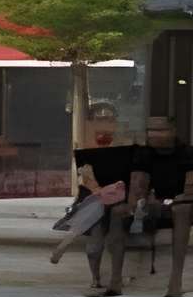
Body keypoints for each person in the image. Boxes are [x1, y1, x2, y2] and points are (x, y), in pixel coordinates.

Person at [106, 112, 193, 297]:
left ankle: (175, 281)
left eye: (160, 130)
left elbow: (191, 189)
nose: (154, 134)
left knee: (182, 209)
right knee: (117, 212)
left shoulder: (188, 153)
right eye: (150, 130)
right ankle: (115, 281)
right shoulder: (143, 153)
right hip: (154, 200)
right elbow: (138, 184)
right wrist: (139, 204)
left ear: (172, 131)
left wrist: (169, 202)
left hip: (183, 202)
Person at [50, 104, 133, 279]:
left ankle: (114, 278)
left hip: (118, 199)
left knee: (115, 240)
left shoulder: (125, 143)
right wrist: (98, 190)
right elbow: (85, 177)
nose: (105, 122)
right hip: (97, 198)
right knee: (94, 244)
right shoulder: (87, 146)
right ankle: (96, 277)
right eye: (100, 118)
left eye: (109, 118)